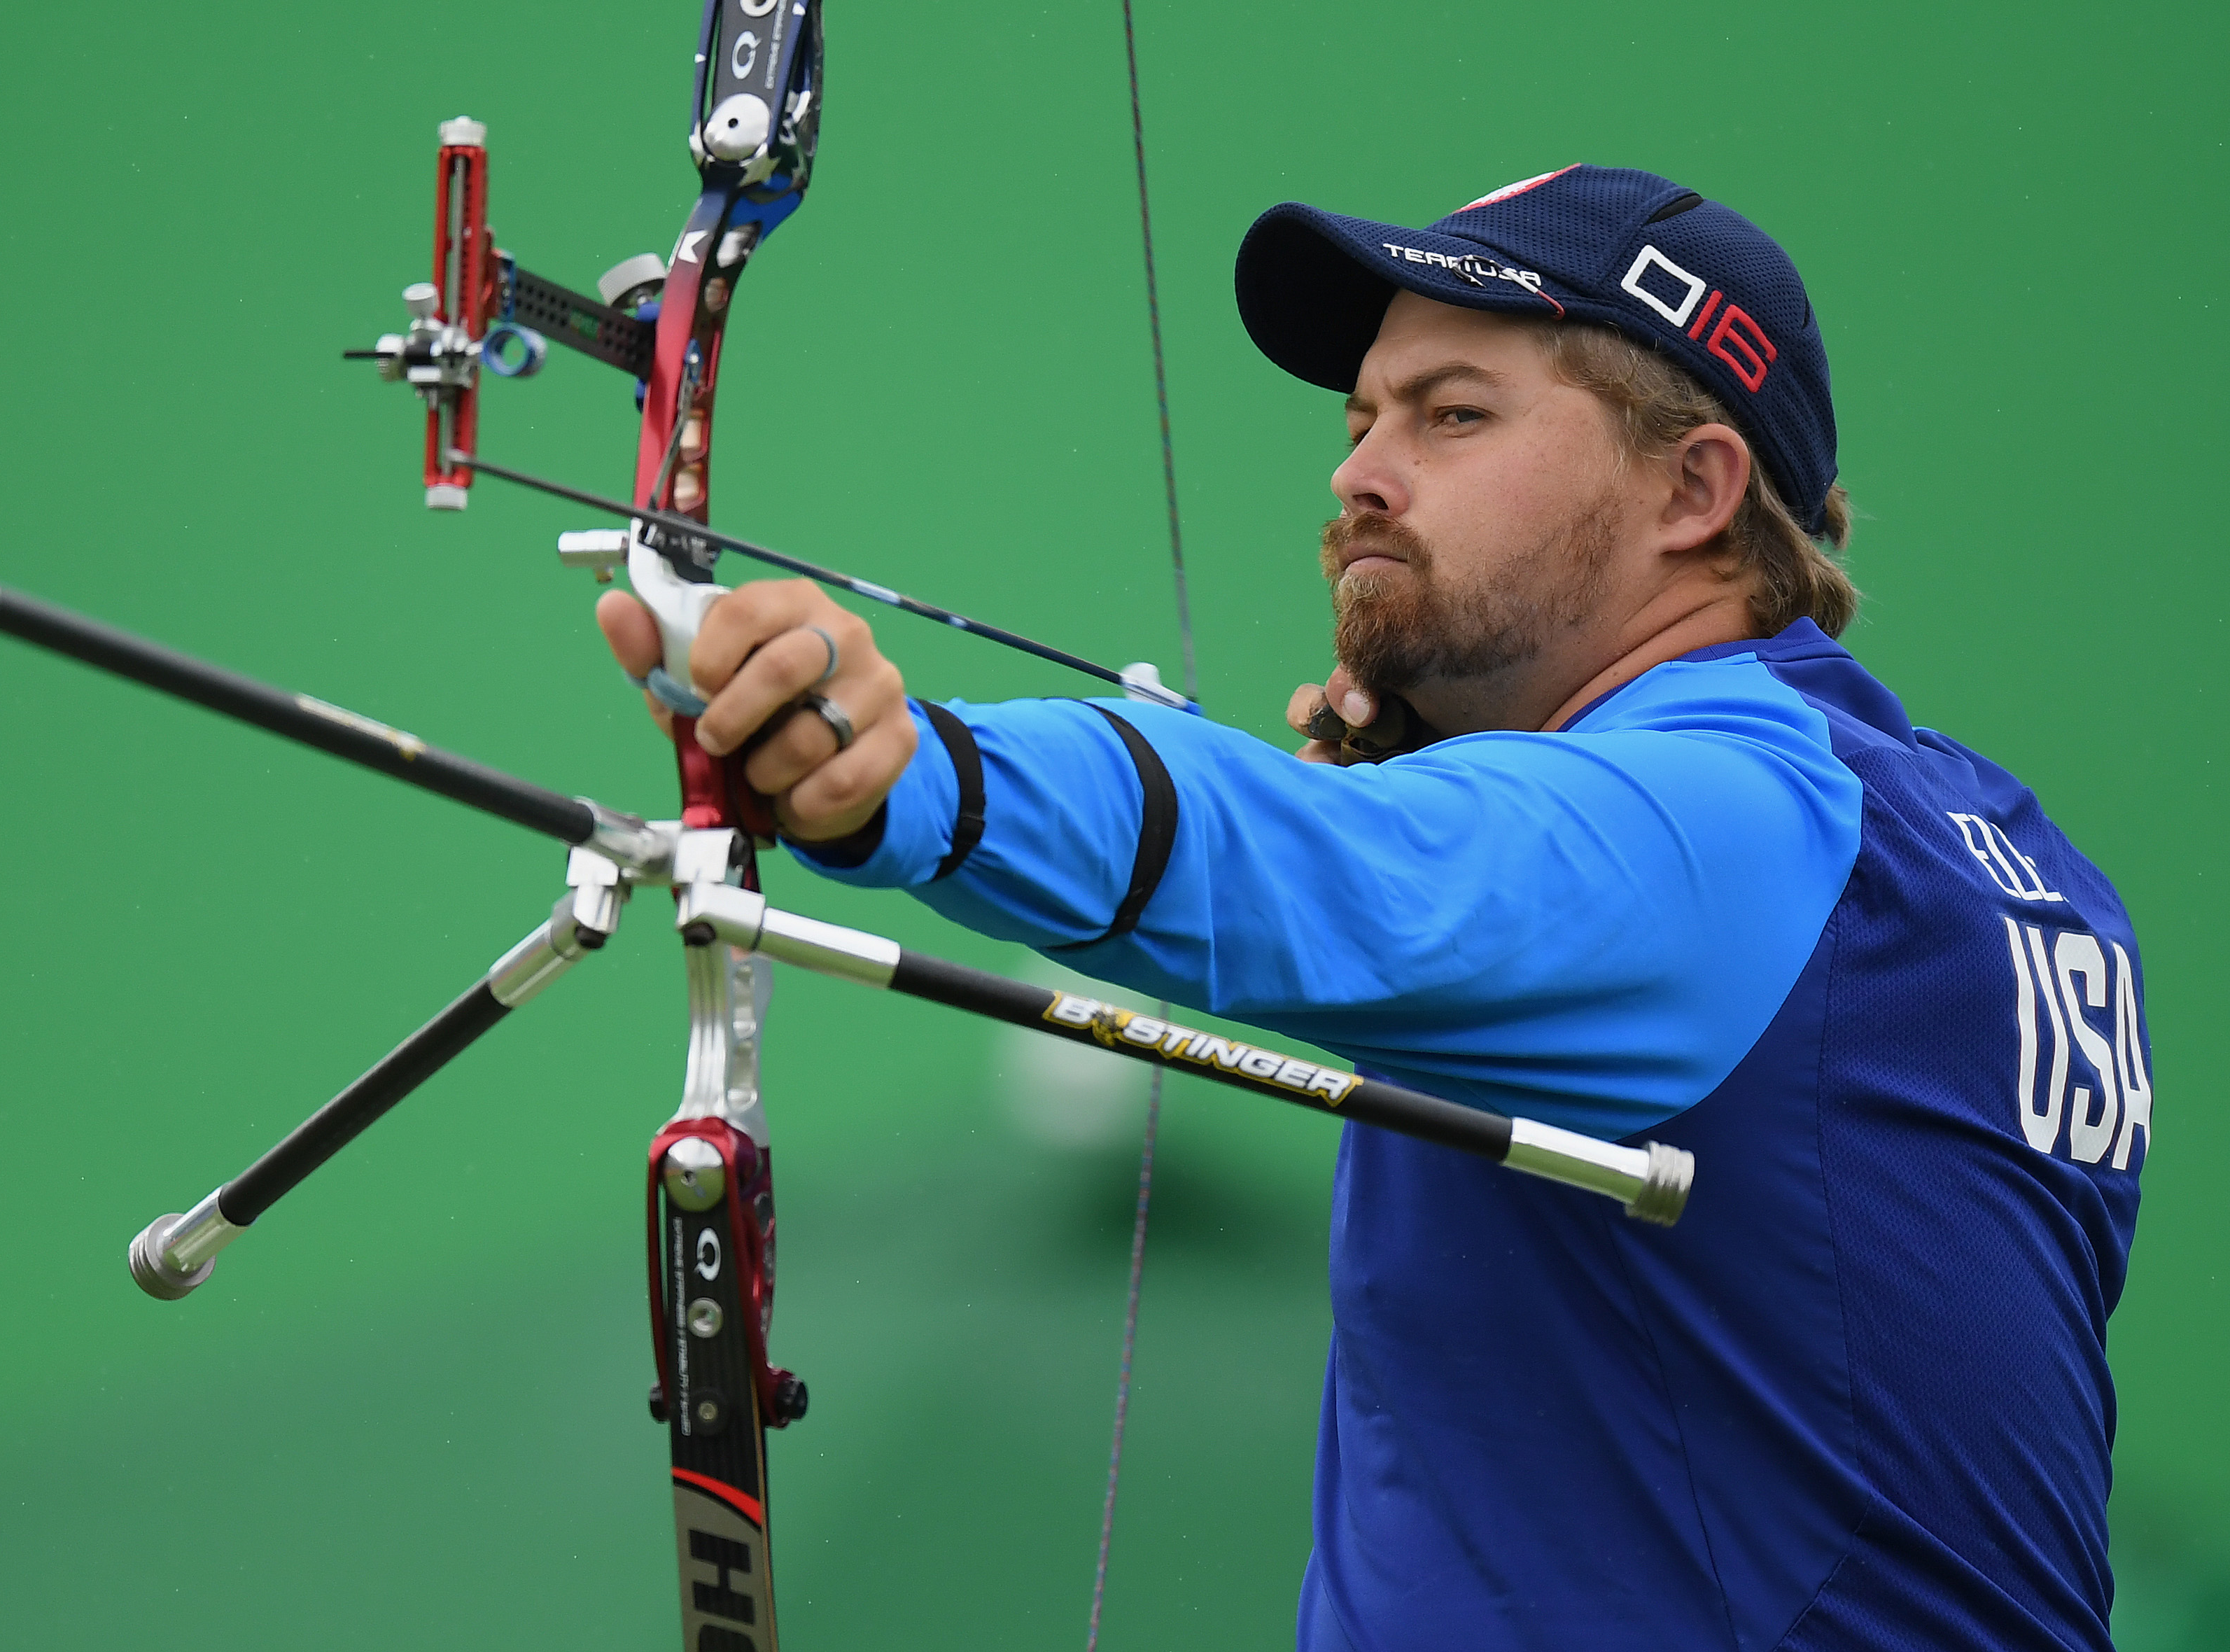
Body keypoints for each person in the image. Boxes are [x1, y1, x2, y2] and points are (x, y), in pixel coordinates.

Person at [596, 165, 2150, 1651]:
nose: (1357, 471)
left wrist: (912, 769)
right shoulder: (1994, 851)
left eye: (1451, 414)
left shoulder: (1734, 823)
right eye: (1359, 418)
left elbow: (1298, 863)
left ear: (1694, 488)